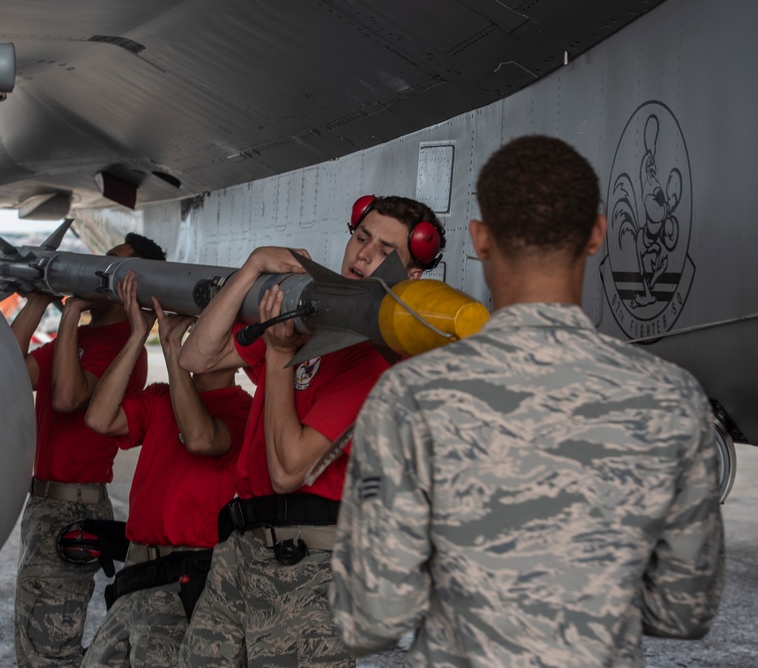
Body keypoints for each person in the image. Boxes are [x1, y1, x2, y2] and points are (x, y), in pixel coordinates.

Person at [331, 136, 725, 666]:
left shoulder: (411, 396)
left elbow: (369, 618)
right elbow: (685, 611)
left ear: (481, 238)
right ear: (596, 235)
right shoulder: (671, 398)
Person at [177, 196, 445, 666]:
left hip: (306, 569)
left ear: (413, 275)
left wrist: (281, 356)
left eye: (385, 250)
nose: (363, 255)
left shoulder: (379, 362)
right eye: (361, 238)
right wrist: (252, 267)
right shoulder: (306, 323)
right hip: (240, 553)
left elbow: (288, 471)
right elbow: (196, 358)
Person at [79, 272, 252, 667]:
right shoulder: (161, 399)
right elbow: (99, 419)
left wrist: (175, 354)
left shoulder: (244, 412)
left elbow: (201, 439)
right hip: (137, 572)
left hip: (188, 583)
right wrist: (138, 334)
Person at [10, 233, 167, 668]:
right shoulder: (78, 340)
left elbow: (66, 398)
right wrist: (40, 300)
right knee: (31, 648)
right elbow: (6, 366)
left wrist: (71, 313)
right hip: (43, 506)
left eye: (109, 263)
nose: (93, 267)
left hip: (73, 511)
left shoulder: (120, 344)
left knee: (52, 653)